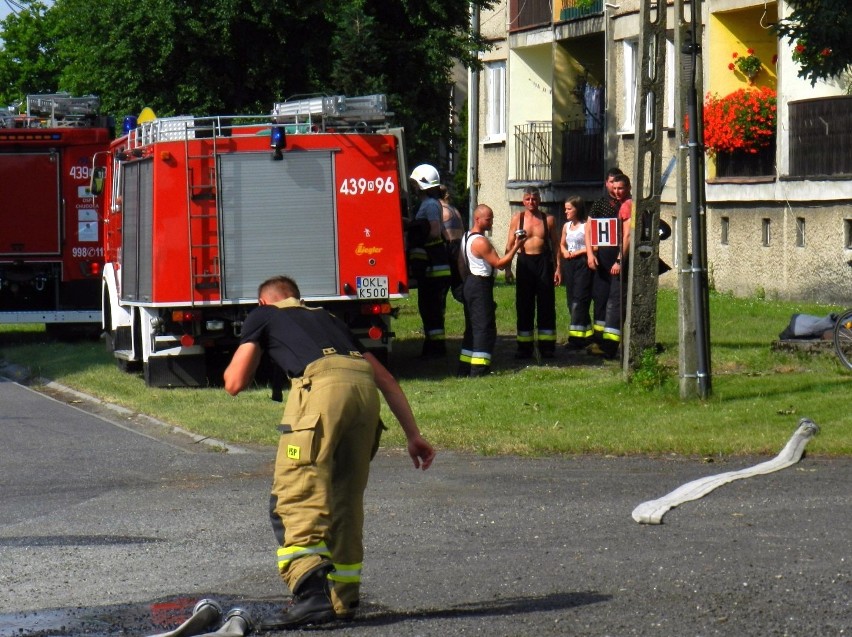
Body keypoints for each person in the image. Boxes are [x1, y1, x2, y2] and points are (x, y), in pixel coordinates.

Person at [223, 276, 435, 630]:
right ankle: (343, 598)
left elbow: (234, 382)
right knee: (344, 499)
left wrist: (253, 341)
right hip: (364, 396)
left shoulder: (263, 315)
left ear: (265, 302)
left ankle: (310, 595)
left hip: (322, 393)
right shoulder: (330, 319)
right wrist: (413, 435)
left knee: (294, 495)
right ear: (298, 297)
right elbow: (384, 378)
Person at [458, 205, 526, 377]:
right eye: (488, 219)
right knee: (484, 327)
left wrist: (467, 281)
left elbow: (460, 263)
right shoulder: (481, 241)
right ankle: (479, 369)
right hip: (480, 284)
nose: (491, 222)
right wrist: (517, 245)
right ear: (477, 219)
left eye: (492, 218)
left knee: (472, 327)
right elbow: (500, 264)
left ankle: (465, 368)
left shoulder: (466, 237)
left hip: (470, 282)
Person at [504, 186, 560, 359]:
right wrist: (507, 269)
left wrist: (558, 268)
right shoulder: (517, 219)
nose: (531, 202)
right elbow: (509, 244)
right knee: (524, 304)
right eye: (528, 199)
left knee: (546, 304)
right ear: (523, 201)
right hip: (525, 262)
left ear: (539, 200)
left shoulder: (548, 219)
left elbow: (556, 245)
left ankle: (547, 346)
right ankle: (524, 346)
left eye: (534, 199)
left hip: (543, 261)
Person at [586, 173, 632, 359]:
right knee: (602, 299)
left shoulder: (629, 206)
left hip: (618, 261)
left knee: (615, 302)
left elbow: (627, 236)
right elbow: (589, 229)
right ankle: (601, 340)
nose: (617, 191)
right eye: (614, 187)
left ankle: (610, 346)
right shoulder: (601, 204)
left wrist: (620, 260)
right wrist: (590, 253)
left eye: (620, 188)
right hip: (603, 260)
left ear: (628, 188)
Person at [409, 164, 451, 357]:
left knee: (431, 308)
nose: (413, 187)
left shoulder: (430, 205)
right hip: (433, 264)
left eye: (415, 183)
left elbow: (434, 231)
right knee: (429, 307)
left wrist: (418, 237)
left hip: (435, 265)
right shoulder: (430, 204)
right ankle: (433, 345)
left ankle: (436, 349)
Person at [558, 196, 593, 350]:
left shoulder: (585, 226)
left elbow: (593, 246)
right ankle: (587, 333)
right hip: (569, 264)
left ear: (577, 209)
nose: (566, 211)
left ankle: (576, 338)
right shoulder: (566, 226)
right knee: (570, 300)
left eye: (569, 209)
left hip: (582, 263)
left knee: (579, 300)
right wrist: (565, 252)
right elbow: (562, 243)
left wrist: (578, 252)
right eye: (565, 208)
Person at [439, 185, 467, 301]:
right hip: (459, 246)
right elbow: (462, 230)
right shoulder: (455, 210)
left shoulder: (441, 210)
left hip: (448, 247)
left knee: (442, 287)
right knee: (459, 284)